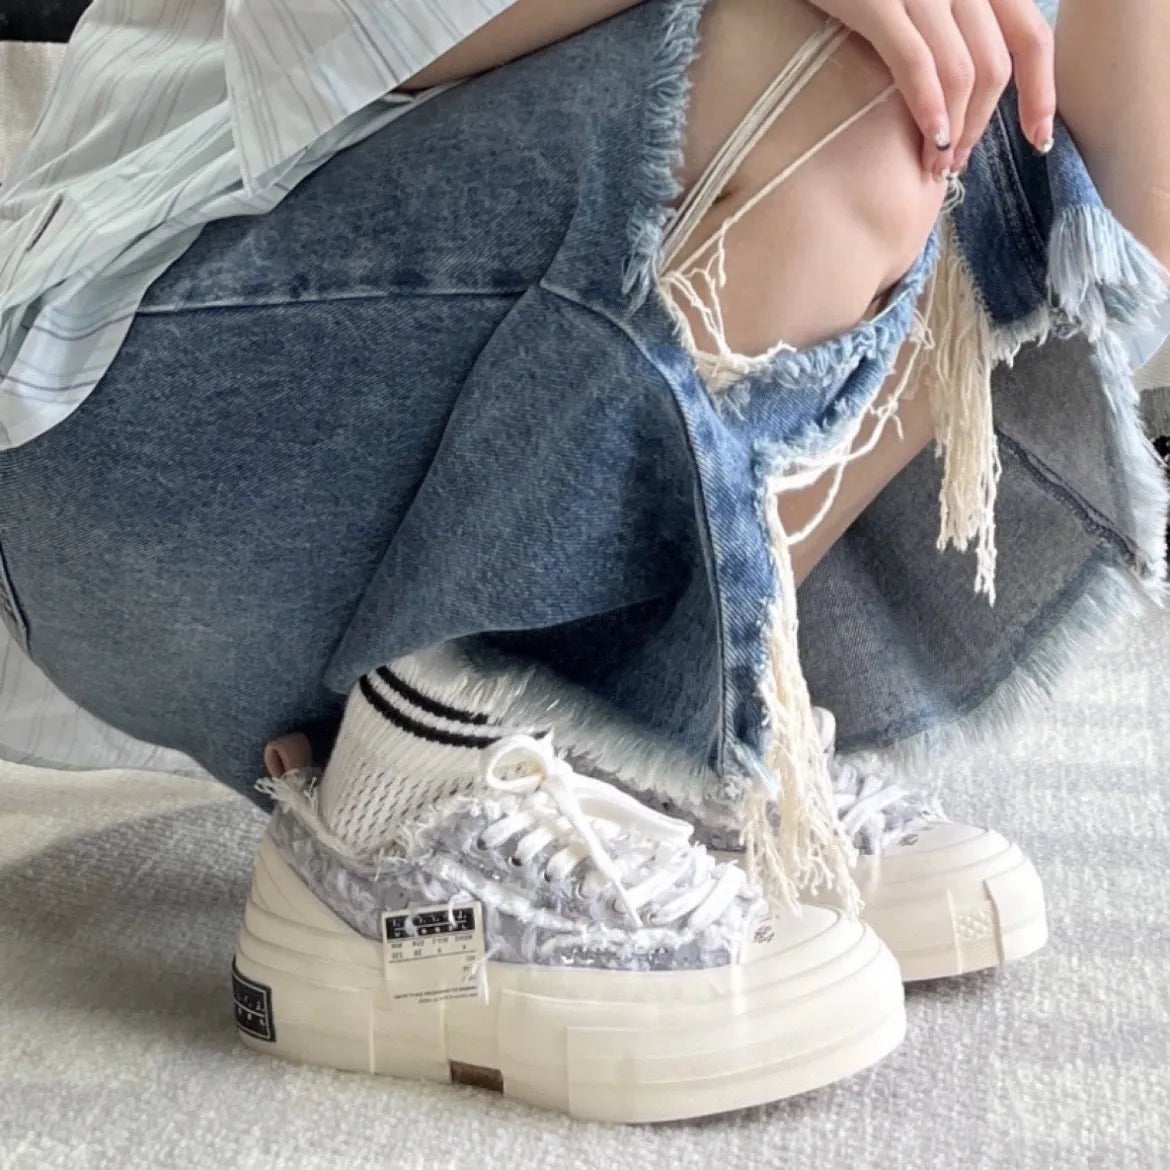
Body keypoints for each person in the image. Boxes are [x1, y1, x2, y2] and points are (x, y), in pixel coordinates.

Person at [0, 0, 1166, 1122]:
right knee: (864, 75)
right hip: (146, 416)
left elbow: (1121, 214)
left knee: (999, 81)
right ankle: (404, 828)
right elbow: (343, 35)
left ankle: (634, 738)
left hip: (358, 442)